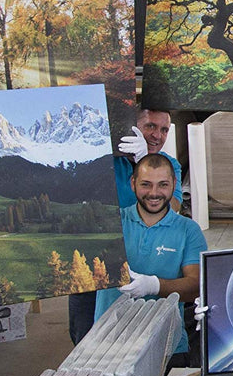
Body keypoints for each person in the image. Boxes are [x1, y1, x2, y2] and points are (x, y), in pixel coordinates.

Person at [70, 108, 184, 344]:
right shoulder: (107, 162)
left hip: (142, 265)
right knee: (84, 335)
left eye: (164, 130)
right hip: (94, 262)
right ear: (132, 127)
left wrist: (146, 164)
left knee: (136, 338)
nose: (157, 136)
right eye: (150, 126)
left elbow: (172, 209)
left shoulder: (170, 166)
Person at [94, 154, 207, 362]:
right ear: (133, 183)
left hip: (167, 347)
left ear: (174, 184)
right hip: (108, 345)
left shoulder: (188, 230)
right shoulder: (110, 224)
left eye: (163, 184)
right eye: (146, 184)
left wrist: (153, 286)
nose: (154, 193)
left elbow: (195, 285)